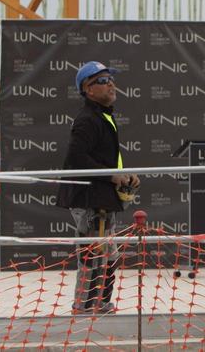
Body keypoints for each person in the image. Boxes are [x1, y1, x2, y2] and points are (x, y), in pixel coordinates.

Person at [55, 61, 139, 315]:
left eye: (110, 79)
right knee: (93, 255)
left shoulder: (103, 116)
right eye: (102, 81)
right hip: (90, 200)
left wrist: (124, 176)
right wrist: (111, 176)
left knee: (108, 255)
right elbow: (76, 158)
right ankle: (84, 306)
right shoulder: (87, 120)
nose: (111, 84)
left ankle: (100, 303)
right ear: (87, 89)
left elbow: (104, 159)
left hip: (101, 198)